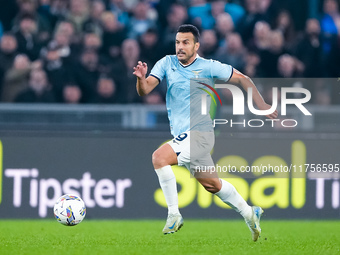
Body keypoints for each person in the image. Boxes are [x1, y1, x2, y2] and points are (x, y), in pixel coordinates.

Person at [133, 24, 278, 241]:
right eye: (177, 42)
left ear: (196, 45)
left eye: (185, 42)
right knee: (212, 185)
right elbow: (145, 90)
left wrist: (262, 105)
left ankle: (174, 214)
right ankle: (250, 213)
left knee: (159, 158)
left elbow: (242, 79)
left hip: (200, 134)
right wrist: (140, 78)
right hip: (183, 136)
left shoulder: (209, 67)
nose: (180, 47)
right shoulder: (166, 63)